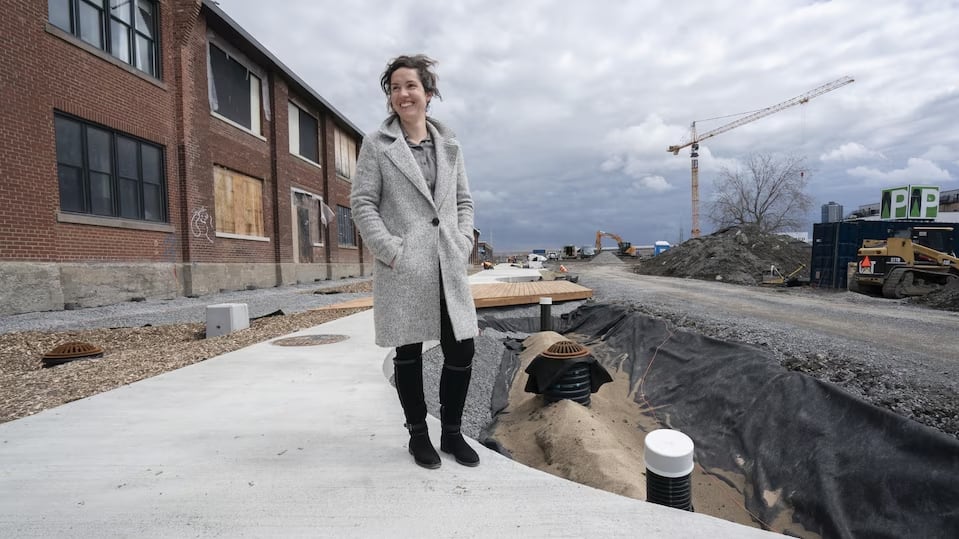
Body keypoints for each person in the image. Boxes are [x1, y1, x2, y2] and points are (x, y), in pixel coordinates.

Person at [350, 54, 480, 469]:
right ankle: (418, 436)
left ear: (428, 92)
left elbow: (463, 200)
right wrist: (390, 250)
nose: (402, 95)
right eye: (394, 88)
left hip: (447, 263)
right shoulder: (378, 144)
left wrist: (462, 242)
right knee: (407, 353)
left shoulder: (451, 145)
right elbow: (362, 202)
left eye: (410, 86)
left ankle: (453, 435)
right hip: (405, 267)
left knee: (461, 350)